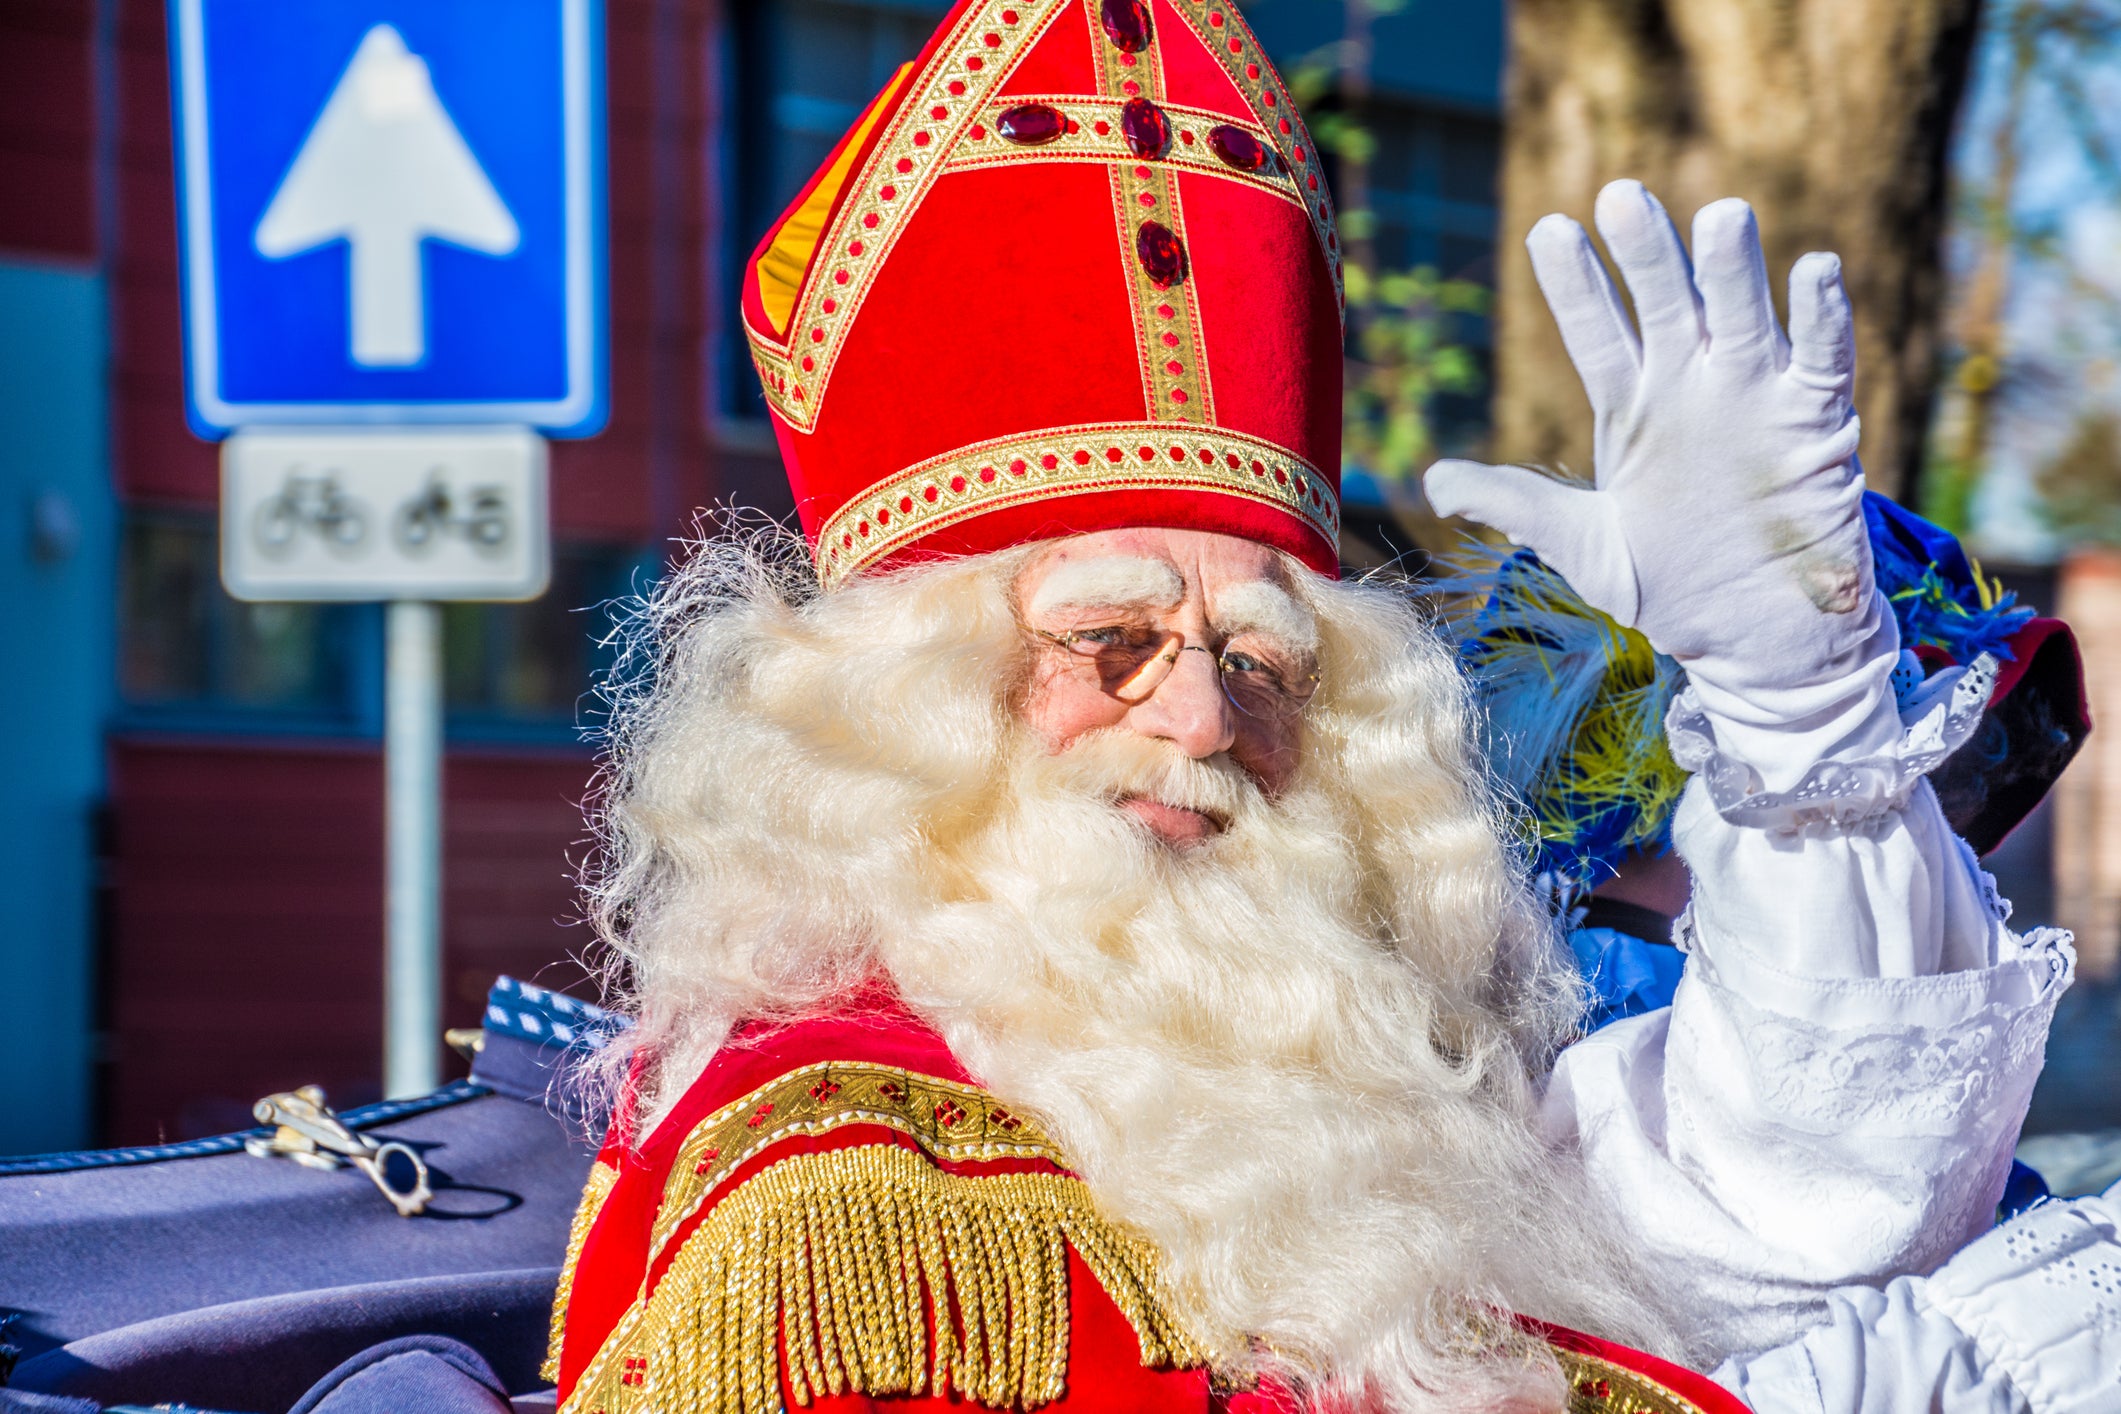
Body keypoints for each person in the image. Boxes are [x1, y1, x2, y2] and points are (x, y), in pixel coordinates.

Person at [541, 0, 2094, 1409]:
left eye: (1260, 659)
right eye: (1110, 639)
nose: (1205, 726)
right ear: (910, 700)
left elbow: (1771, 1225)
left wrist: (1794, 704)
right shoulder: (858, 1191)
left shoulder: (1319, 1051)